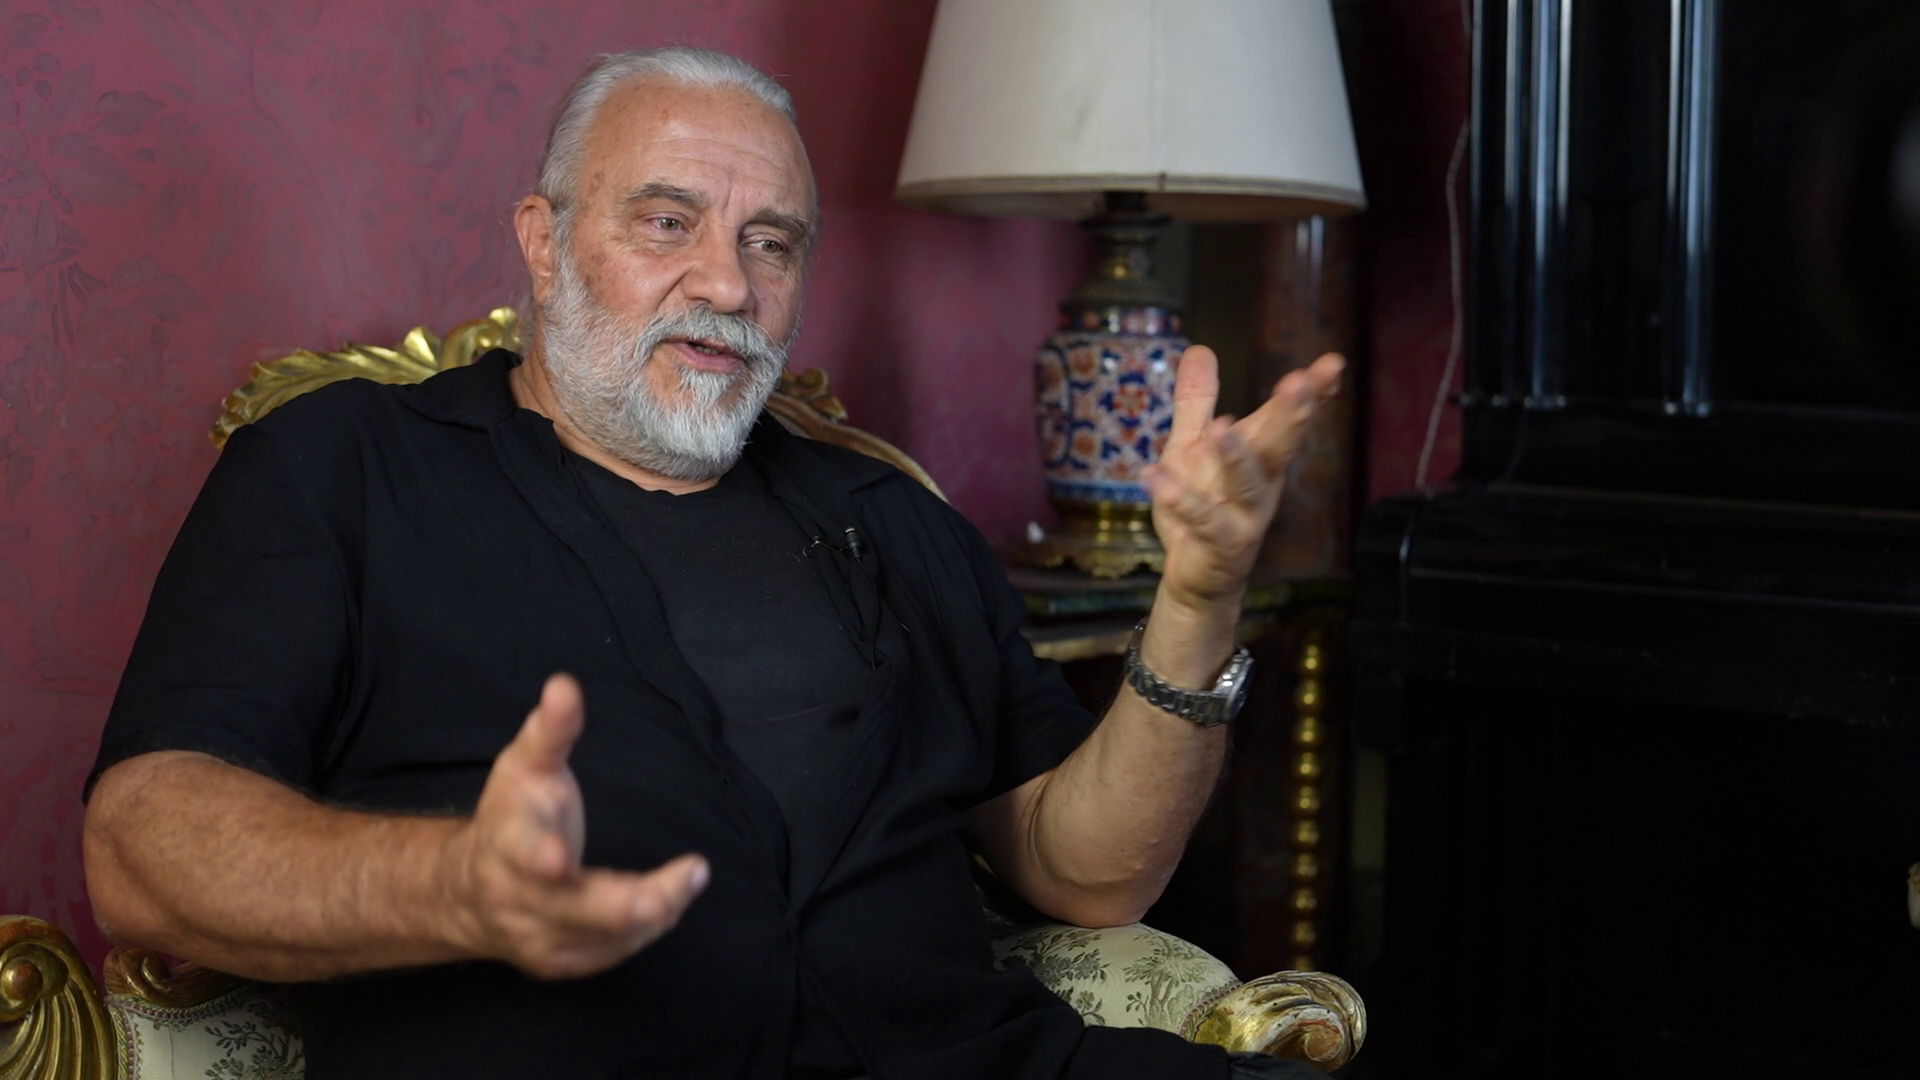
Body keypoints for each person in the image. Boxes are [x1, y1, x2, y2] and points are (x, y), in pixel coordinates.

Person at [81, 47, 1343, 1080]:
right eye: (667, 221)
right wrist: (450, 886)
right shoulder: (344, 472)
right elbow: (140, 848)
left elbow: (1086, 873)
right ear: (543, 241)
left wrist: (1198, 599)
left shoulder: (888, 515)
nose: (728, 284)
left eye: (773, 242)